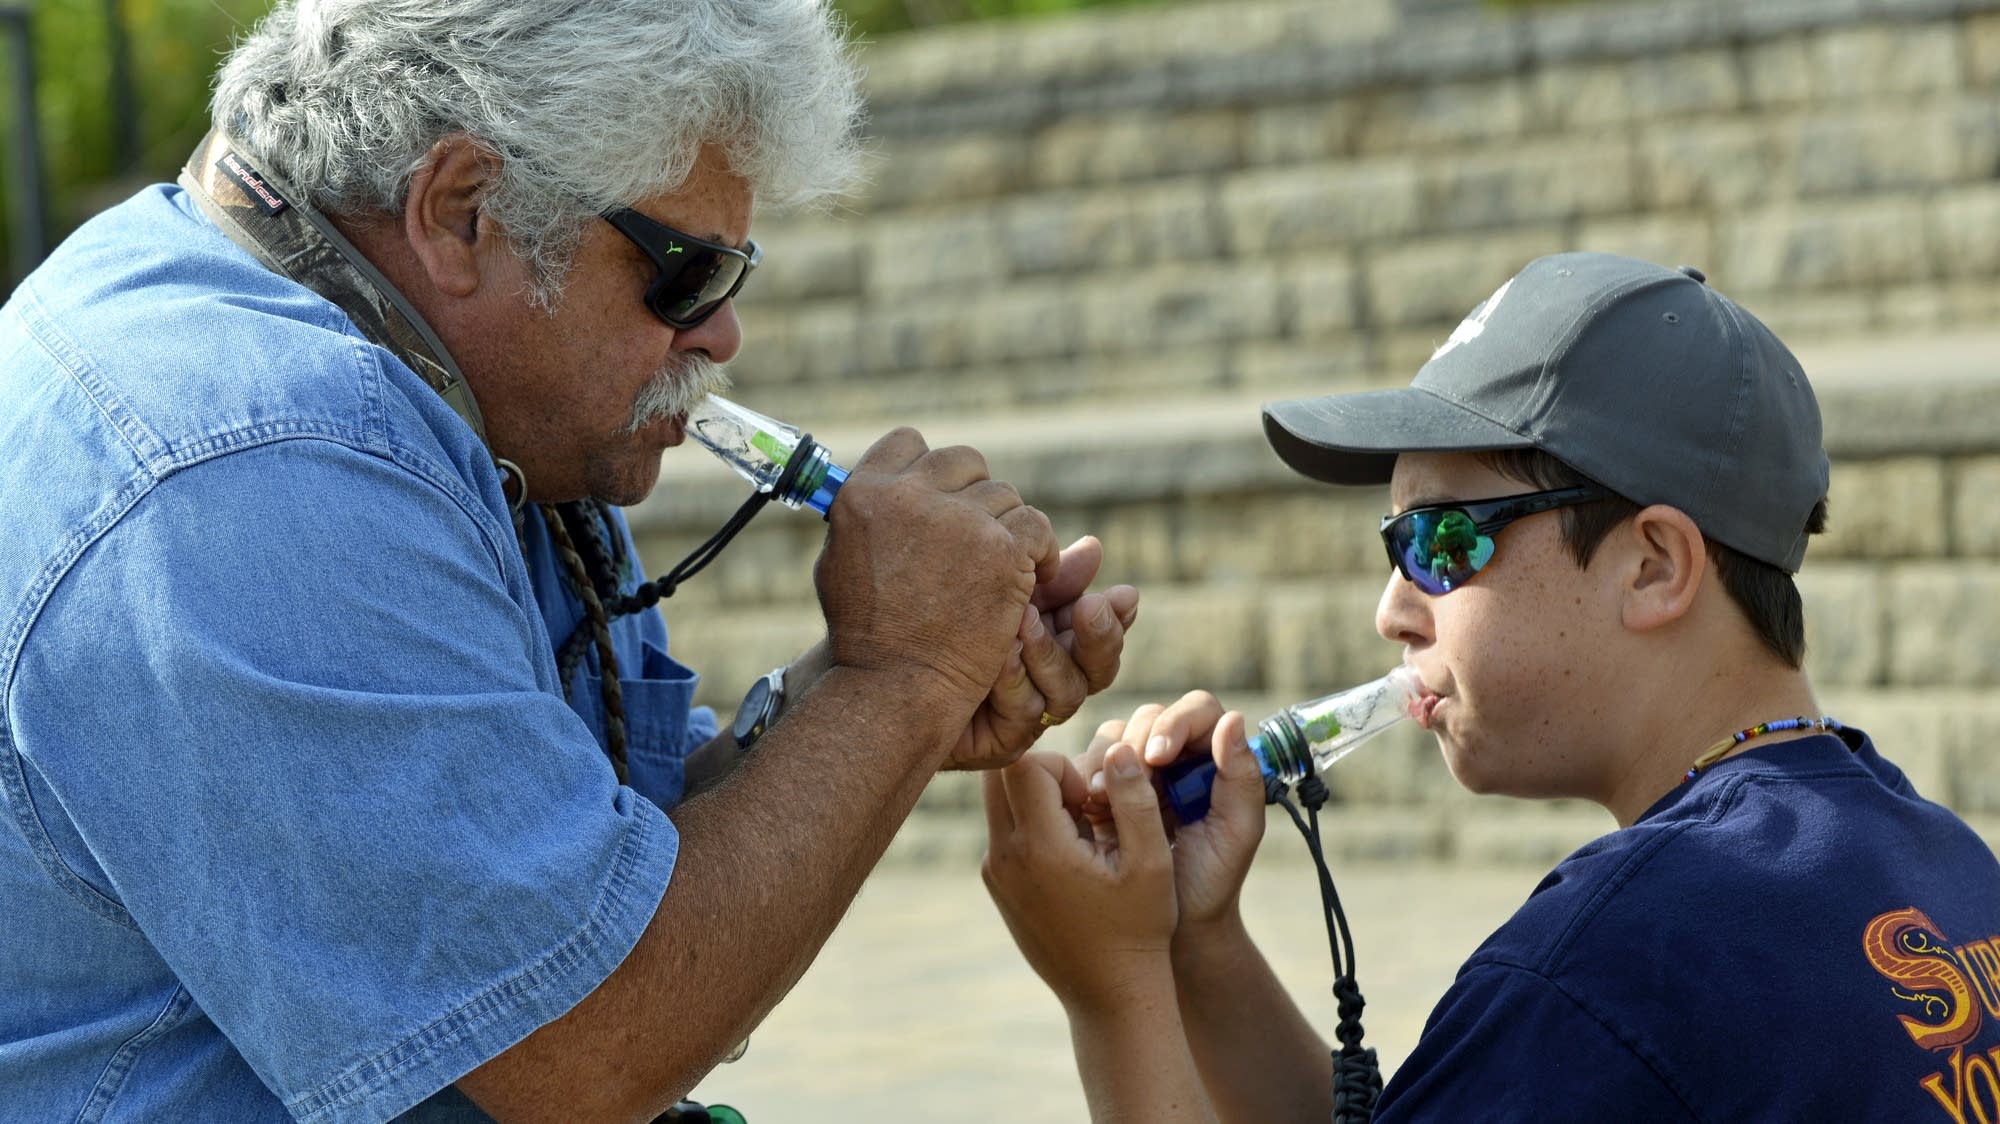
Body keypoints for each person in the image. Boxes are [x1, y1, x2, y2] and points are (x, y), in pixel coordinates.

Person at [0, 2, 1137, 1121]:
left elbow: (602, 883)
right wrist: (903, 682)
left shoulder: (436, 380)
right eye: (685, 271)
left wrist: (854, 685)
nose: (719, 332)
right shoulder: (252, 472)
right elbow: (583, 1048)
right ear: (463, 212)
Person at [982, 252, 2000, 1122]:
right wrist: (1193, 941)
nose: (1391, 607)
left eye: (1439, 538)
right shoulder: (1940, 859)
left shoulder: (1610, 966)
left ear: (1652, 565)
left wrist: (1112, 992)